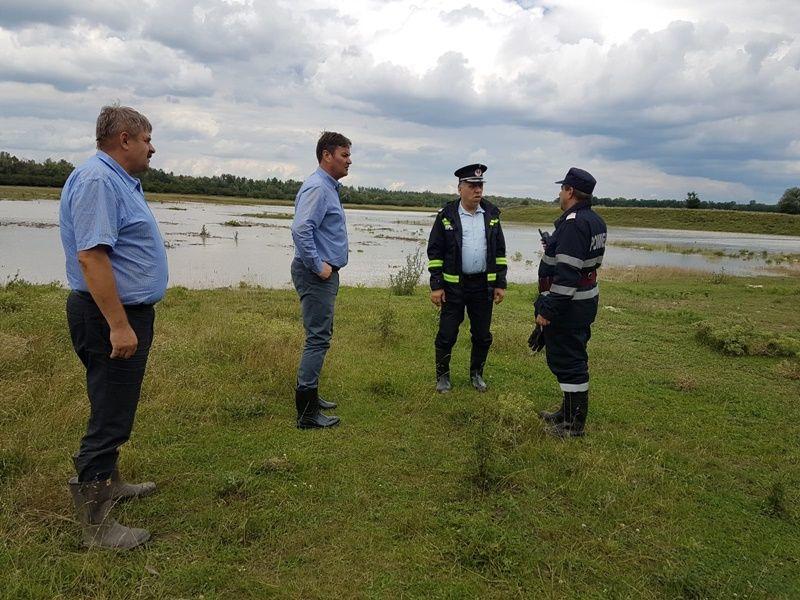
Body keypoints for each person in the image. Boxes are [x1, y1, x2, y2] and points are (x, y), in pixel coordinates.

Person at [60, 104, 167, 549]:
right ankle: (97, 525)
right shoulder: (100, 181)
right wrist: (119, 325)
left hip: (116, 313)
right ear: (124, 139)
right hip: (108, 315)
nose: (151, 148)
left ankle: (111, 482)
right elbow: (92, 256)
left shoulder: (117, 180)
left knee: (111, 404)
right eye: (146, 139)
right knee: (110, 415)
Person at [535, 167, 607, 437]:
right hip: (582, 302)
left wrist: (548, 310)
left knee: (569, 363)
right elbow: (582, 261)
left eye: (562, 188)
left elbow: (567, 276)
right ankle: (565, 413)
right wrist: (554, 245)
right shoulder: (595, 220)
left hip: (569, 306)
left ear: (570, 191)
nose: (559, 193)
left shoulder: (574, 224)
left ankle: (573, 426)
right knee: (570, 358)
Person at [427, 164, 507, 393]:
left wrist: (500, 283)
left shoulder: (492, 215)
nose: (477, 190)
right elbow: (435, 252)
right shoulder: (446, 216)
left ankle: (476, 374)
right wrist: (436, 286)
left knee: (482, 335)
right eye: (472, 185)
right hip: (454, 287)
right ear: (460, 188)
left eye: (480, 185)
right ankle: (443, 377)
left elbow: (499, 252)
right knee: (447, 334)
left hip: (483, 286)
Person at [290, 131, 351, 429]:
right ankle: (307, 413)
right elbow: (301, 229)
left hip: (322, 274)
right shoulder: (318, 187)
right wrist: (318, 267)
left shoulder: (327, 187)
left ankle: (312, 396)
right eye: (344, 155)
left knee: (320, 336)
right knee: (317, 338)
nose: (349, 161)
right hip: (316, 274)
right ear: (327, 155)